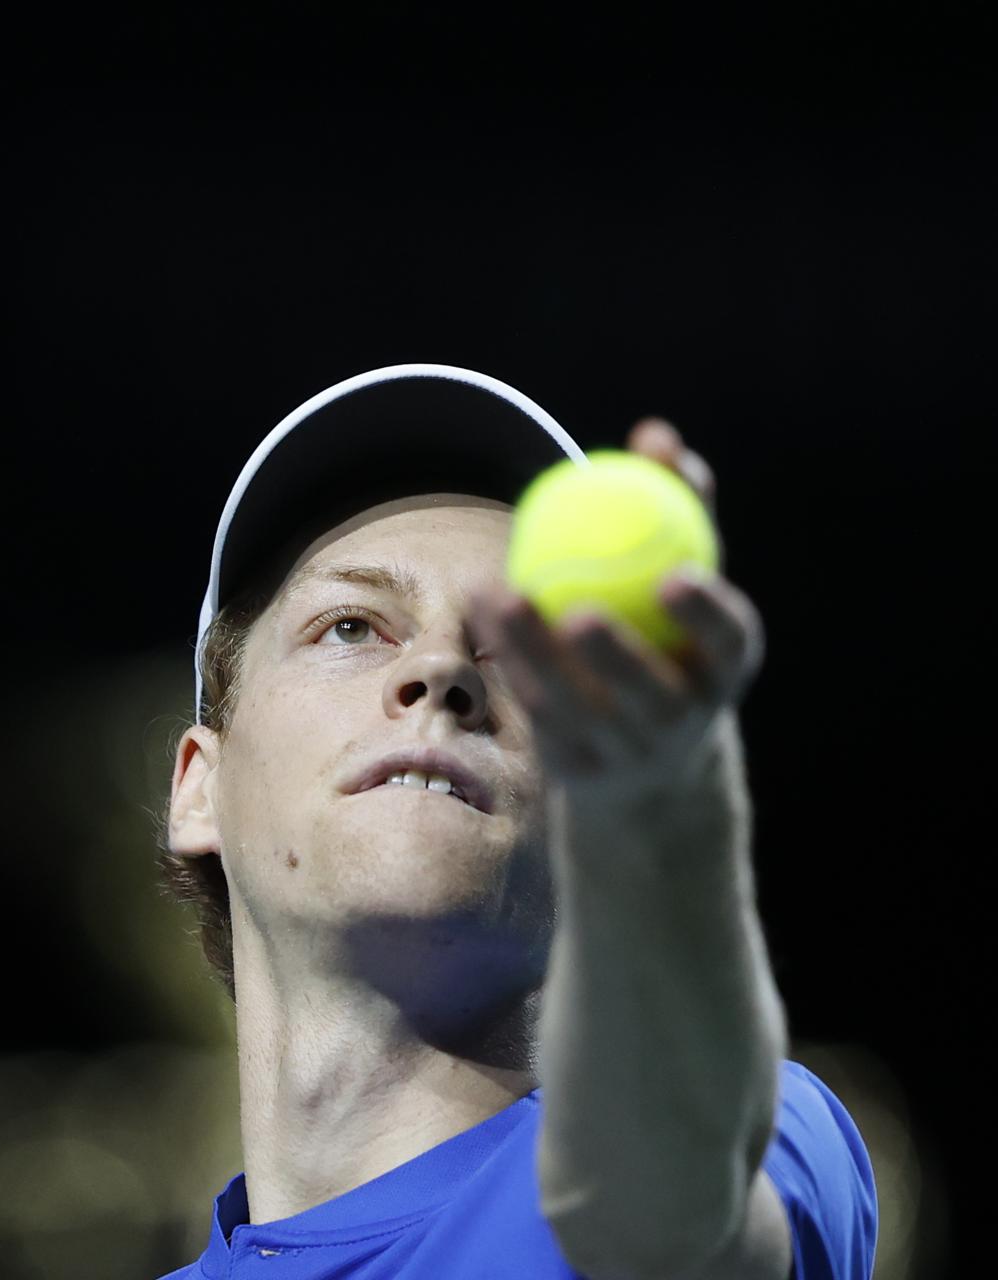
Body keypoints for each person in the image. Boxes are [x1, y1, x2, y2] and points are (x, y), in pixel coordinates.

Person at [156, 364, 878, 1279]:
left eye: (520, 648)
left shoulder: (727, 1124)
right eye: (351, 626)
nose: (441, 670)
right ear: (197, 787)